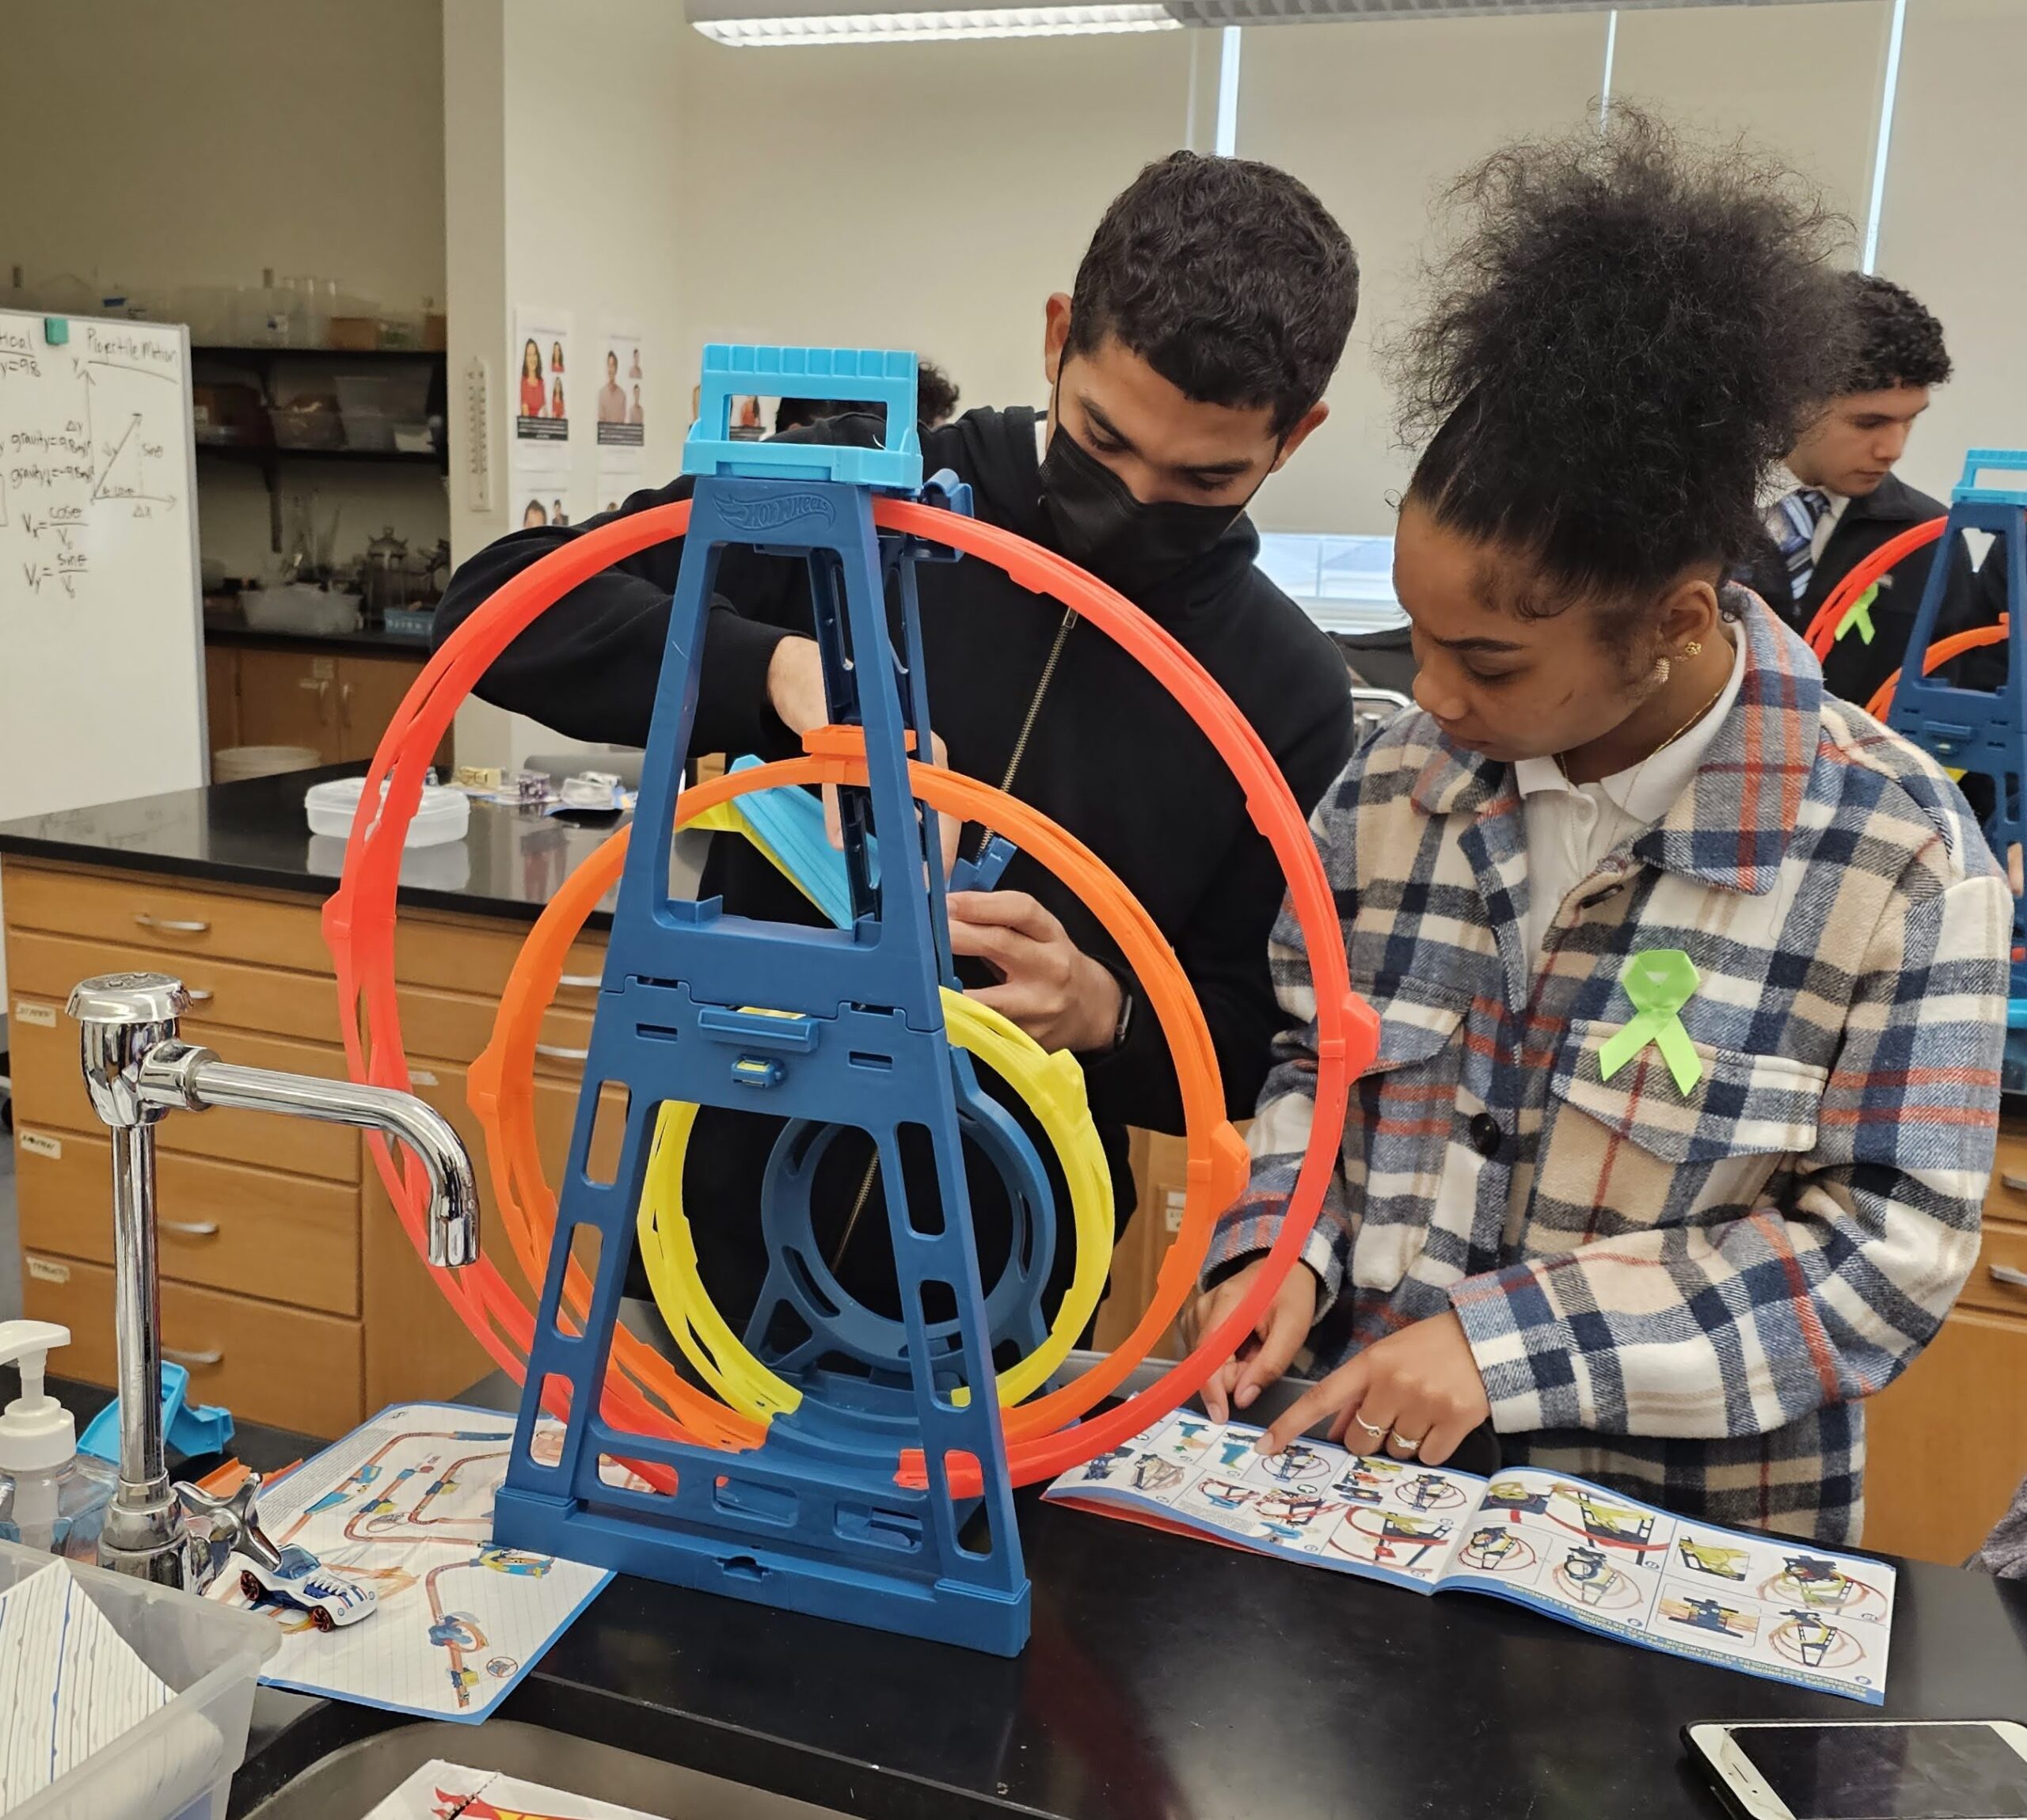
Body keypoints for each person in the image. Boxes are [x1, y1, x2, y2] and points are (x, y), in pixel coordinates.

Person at [1193, 114, 2009, 1545]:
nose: (1430, 699)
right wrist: (1281, 1249)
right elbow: (1315, 1069)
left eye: (1492, 661)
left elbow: (1887, 1253)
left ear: (1677, 619)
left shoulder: (1899, 857)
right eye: (1415, 635)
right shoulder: (1387, 796)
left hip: (1667, 1556)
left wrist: (1503, 1345)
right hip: (1351, 1510)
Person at [435, 150, 1362, 1327]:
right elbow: (497, 606)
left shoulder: (1283, 689)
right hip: (704, 1246)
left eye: (1203, 477)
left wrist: (1105, 1011)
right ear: (1057, 335)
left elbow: (1258, 1047)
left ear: (1297, 436)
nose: (1131, 503)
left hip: (1002, 1308)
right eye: (1104, 440)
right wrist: (770, 665)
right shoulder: (856, 497)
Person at [1741, 273, 1979, 709]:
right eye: (1868, 423)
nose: (1894, 449)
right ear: (1785, 398)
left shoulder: (1930, 538)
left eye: (1911, 420)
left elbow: (1951, 713)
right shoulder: (1687, 516)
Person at [598, 350, 628, 424]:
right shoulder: (602, 394)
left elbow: (622, 423)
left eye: (613, 366)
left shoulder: (622, 395)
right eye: (609, 365)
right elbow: (601, 422)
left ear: (616, 369)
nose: (611, 369)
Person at [519, 339, 545, 419]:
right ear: (526, 358)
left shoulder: (541, 382)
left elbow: (544, 410)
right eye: (529, 355)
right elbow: (525, 414)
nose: (532, 358)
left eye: (534, 354)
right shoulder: (523, 382)